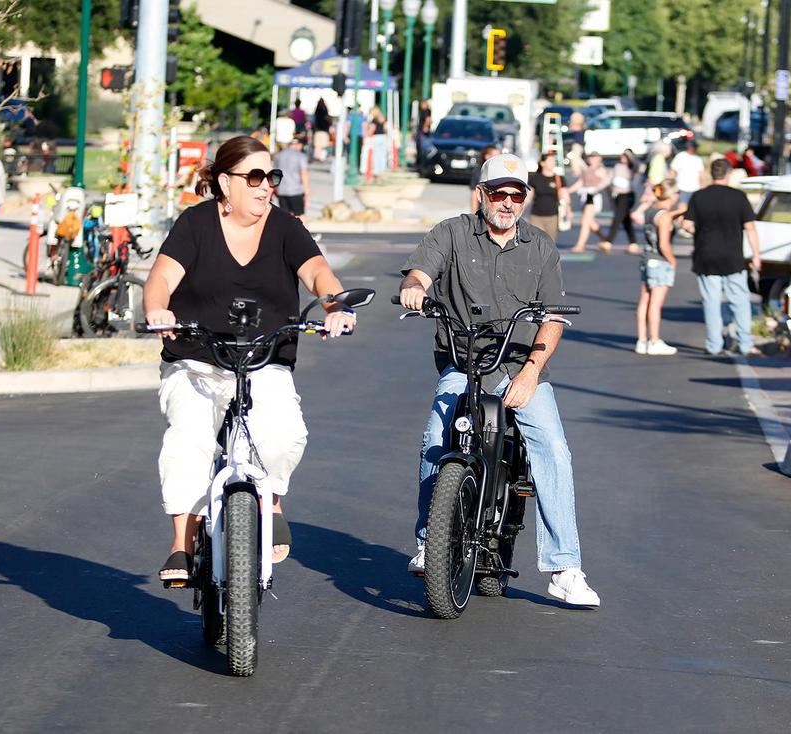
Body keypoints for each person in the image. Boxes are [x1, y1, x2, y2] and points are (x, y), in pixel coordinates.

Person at [143, 135, 358, 584]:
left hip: (263, 360)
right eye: (256, 176)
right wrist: (157, 310)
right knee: (189, 439)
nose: (266, 187)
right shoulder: (195, 224)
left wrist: (335, 306)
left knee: (282, 433)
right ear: (225, 183)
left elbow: (318, 272)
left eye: (272, 177)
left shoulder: (284, 228)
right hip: (197, 361)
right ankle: (182, 541)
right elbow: (161, 277)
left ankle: (272, 497)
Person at [398, 153, 600, 607]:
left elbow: (552, 318)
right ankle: (431, 543)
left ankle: (565, 567)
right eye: (498, 193)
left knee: (552, 448)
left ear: (525, 198)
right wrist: (415, 286)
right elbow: (420, 270)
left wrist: (530, 374)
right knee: (436, 433)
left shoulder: (541, 246)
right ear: (481, 195)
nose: (507, 202)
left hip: (520, 366)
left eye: (516, 194)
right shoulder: (451, 233)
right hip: (464, 362)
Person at [681, 157, 762, 357]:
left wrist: (698, 233)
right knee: (740, 301)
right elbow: (750, 228)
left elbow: (686, 224)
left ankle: (714, 344)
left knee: (711, 301)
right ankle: (745, 343)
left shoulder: (699, 197)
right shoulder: (738, 197)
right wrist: (756, 255)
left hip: (706, 255)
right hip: (732, 256)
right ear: (729, 173)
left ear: (711, 173)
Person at [635, 180, 683, 356]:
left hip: (647, 258)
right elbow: (664, 244)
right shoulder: (664, 217)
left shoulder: (651, 210)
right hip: (660, 260)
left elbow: (664, 218)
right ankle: (654, 340)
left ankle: (642, 340)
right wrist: (672, 260)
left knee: (644, 301)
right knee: (656, 304)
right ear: (671, 195)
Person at [570, 152, 611, 253]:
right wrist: (568, 190)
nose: (592, 159)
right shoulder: (586, 169)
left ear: (599, 158)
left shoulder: (601, 170)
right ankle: (606, 240)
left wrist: (611, 200)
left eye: (594, 157)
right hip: (585, 195)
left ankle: (580, 245)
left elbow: (606, 184)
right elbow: (580, 183)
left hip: (593, 196)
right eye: (591, 157)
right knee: (590, 223)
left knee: (585, 221)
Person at [602, 149, 639, 250]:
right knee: (626, 220)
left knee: (617, 218)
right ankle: (633, 242)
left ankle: (608, 241)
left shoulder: (632, 167)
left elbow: (635, 163)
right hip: (618, 195)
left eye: (625, 156)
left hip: (627, 195)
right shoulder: (617, 167)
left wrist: (628, 153)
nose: (622, 158)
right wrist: (596, 188)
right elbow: (608, 180)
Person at [527, 151, 566, 241]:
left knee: (549, 243)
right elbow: (529, 197)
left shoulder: (559, 178)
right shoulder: (535, 178)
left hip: (552, 216)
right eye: (550, 161)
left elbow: (564, 196)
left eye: (554, 161)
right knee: (536, 242)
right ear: (542, 163)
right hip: (536, 216)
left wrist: (568, 211)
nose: (553, 163)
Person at [273, 135, 310, 218]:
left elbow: (274, 173)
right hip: (296, 191)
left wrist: (275, 189)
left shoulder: (278, 155)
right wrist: (307, 191)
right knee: (300, 216)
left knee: (285, 217)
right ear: (299, 145)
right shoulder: (301, 156)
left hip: (282, 191)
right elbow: (304, 173)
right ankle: (301, 231)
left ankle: (286, 231)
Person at [668, 139, 706, 206]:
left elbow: (702, 175)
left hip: (694, 189)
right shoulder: (680, 156)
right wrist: (671, 186)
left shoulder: (698, 159)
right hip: (681, 189)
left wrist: (702, 188)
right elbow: (672, 172)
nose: (695, 149)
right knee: (681, 208)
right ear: (689, 147)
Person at [469, 145, 501, 211]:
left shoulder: (502, 172)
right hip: (483, 210)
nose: (498, 159)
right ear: (487, 157)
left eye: (500, 156)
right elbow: (474, 194)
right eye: (495, 156)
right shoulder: (478, 172)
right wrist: (474, 214)